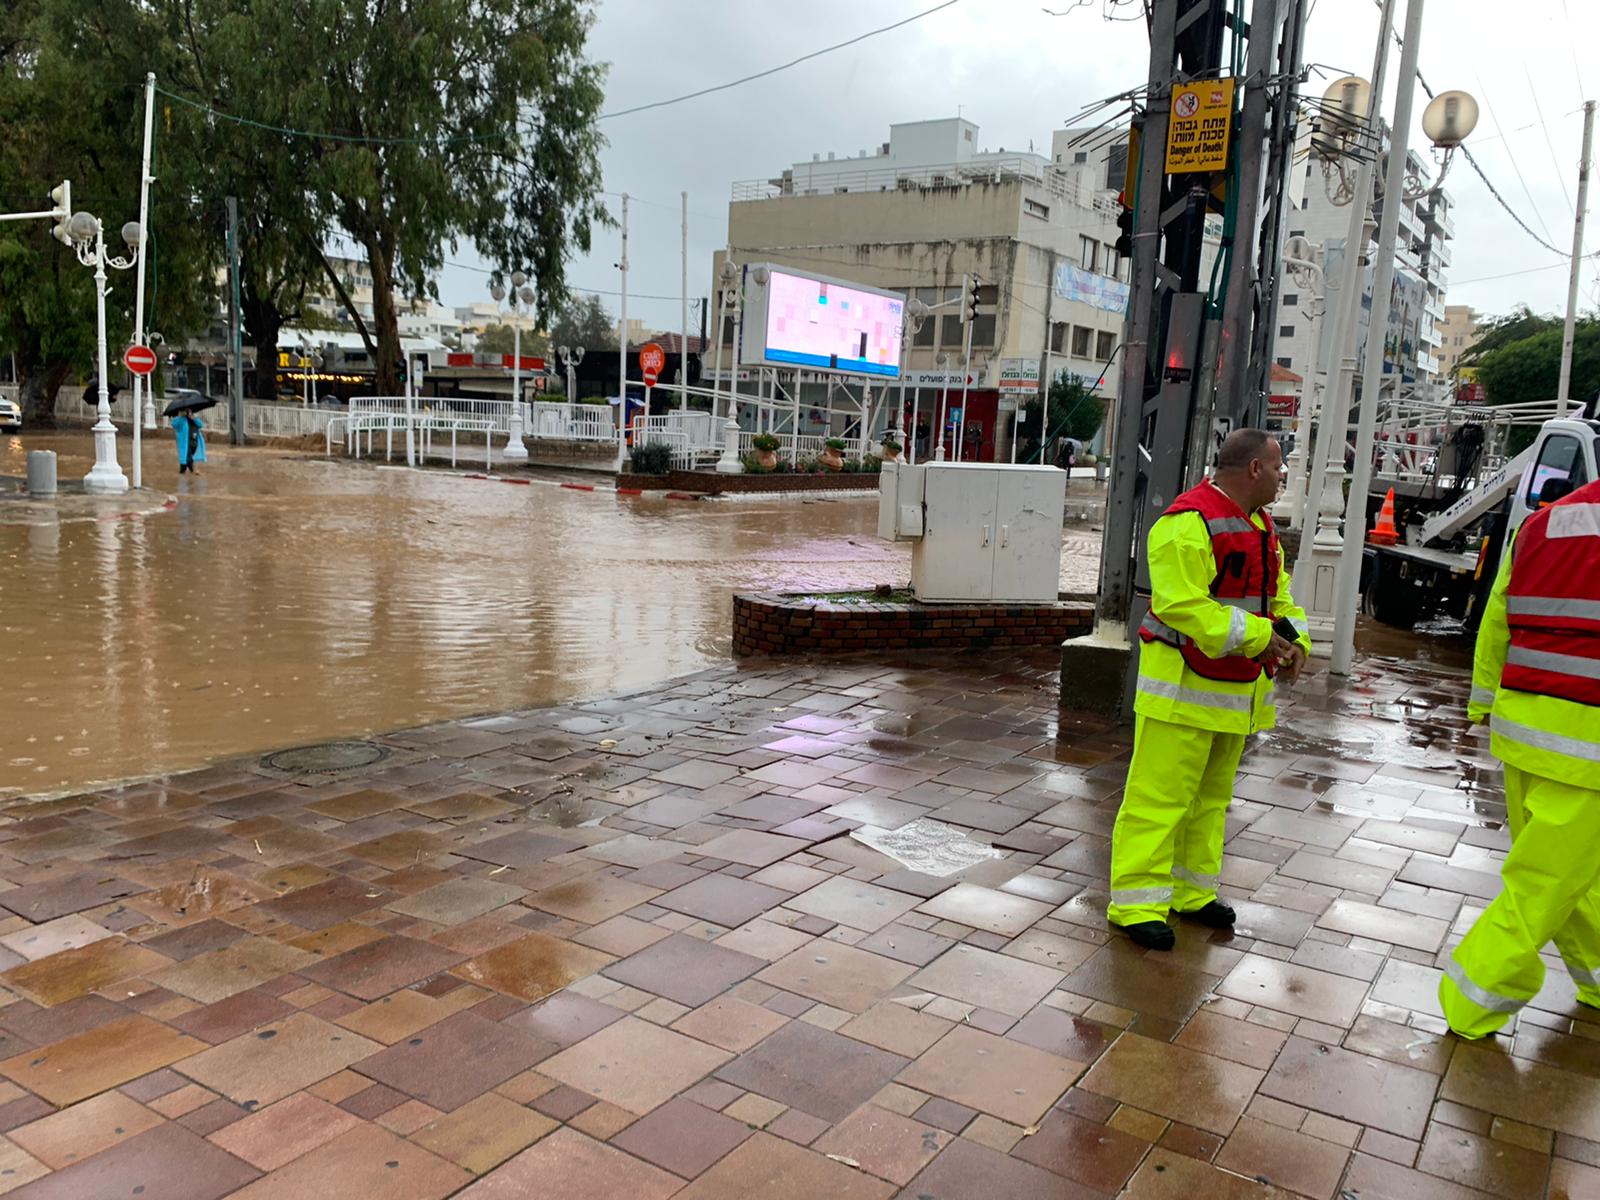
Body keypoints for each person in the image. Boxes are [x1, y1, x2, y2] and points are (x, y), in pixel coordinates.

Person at [1107, 428, 1310, 950]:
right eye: (1278, 464)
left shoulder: (1260, 524)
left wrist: (1297, 639)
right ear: (1254, 470)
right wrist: (1266, 638)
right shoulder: (1186, 523)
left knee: (1210, 800)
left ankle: (1191, 893)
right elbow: (1180, 605)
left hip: (1232, 692)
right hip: (1181, 688)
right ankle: (1136, 904)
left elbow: (1277, 597)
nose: (1283, 474)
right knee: (1159, 799)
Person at [1438, 479, 1600, 1038]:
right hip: (1589, 743)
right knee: (1545, 880)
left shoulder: (1546, 521)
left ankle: (1597, 977)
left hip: (1524, 726)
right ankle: (1472, 998)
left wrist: (1483, 702)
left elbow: (1497, 620)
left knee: (1571, 874)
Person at [173, 410, 206, 474]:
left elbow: (201, 425)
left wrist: (193, 418)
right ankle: (190, 470)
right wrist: (179, 416)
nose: (190, 413)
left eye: (191, 411)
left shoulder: (194, 418)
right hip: (185, 442)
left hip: (194, 441)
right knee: (187, 457)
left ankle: (188, 469)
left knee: (189, 456)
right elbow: (174, 424)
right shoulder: (182, 419)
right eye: (188, 411)